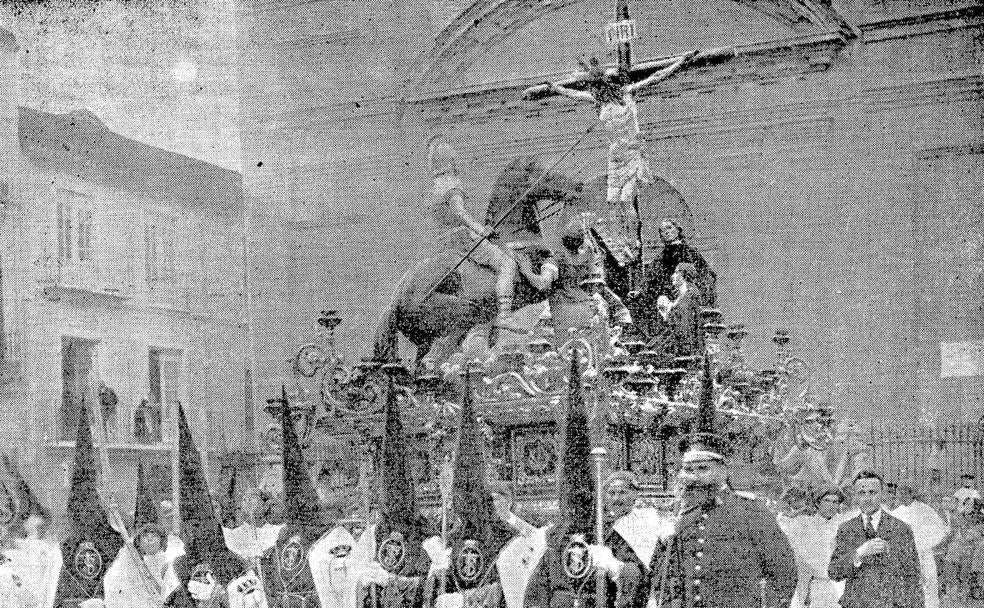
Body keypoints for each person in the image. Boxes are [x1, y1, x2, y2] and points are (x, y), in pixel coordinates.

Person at [545, 55, 697, 265]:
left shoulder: (626, 94)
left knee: (626, 199)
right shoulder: (599, 101)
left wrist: (679, 63)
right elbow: (575, 94)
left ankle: (633, 240)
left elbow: (656, 77)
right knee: (612, 201)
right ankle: (621, 240)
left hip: (631, 151)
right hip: (615, 155)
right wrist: (556, 89)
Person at [648, 433, 798, 608]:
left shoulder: (752, 511)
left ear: (723, 470)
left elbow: (783, 572)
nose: (694, 477)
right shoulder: (677, 518)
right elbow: (660, 576)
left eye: (703, 469)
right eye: (688, 470)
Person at [428, 136, 540, 343]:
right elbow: (460, 213)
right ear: (451, 161)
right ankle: (505, 315)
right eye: (455, 160)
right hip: (462, 237)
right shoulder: (452, 184)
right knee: (507, 263)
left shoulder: (435, 186)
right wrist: (482, 230)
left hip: (442, 240)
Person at [828, 471, 924, 608]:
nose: (867, 498)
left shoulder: (901, 529)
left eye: (872, 492)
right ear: (855, 496)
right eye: (862, 493)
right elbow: (834, 572)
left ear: (882, 494)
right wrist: (859, 553)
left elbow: (913, 578)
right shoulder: (846, 528)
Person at [788, 487, 847, 608]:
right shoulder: (803, 524)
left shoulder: (845, 526)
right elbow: (797, 559)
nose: (831, 505)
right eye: (827, 501)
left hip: (839, 587)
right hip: (813, 587)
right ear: (817, 503)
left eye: (835, 502)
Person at [892, 484, 949, 608]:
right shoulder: (896, 513)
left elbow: (940, 529)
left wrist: (924, 544)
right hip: (904, 557)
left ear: (912, 493)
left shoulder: (925, 510)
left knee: (928, 585)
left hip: (923, 554)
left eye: (903, 493)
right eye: (899, 493)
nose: (900, 496)